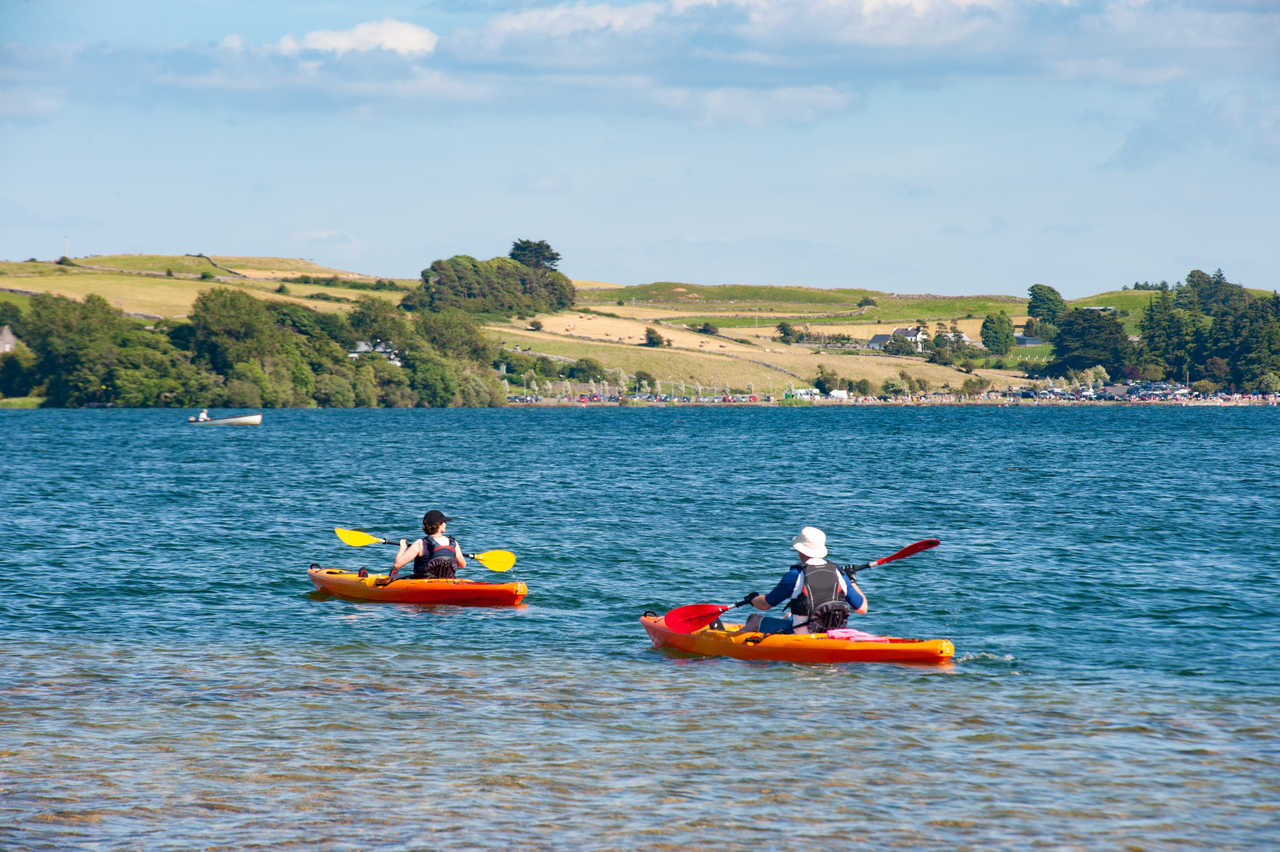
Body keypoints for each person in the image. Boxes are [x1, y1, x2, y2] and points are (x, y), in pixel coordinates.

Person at [738, 526, 868, 635]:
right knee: (789, 615)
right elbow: (862, 608)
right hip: (832, 634)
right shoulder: (839, 573)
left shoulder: (796, 574)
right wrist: (851, 580)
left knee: (754, 619)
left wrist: (753, 599)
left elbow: (765, 605)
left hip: (803, 634)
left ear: (800, 550)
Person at [394, 510, 468, 579]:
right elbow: (463, 565)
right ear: (440, 524)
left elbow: (397, 565)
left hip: (424, 583)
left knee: (393, 574)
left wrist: (403, 547)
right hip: (447, 582)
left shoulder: (420, 544)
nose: (445, 524)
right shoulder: (453, 543)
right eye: (444, 521)